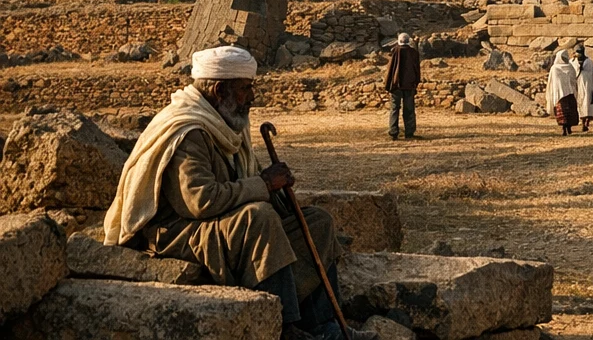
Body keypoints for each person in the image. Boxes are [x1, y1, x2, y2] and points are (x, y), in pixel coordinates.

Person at [102, 45, 377, 340]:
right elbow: (199, 201)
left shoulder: (227, 123)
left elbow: (249, 181)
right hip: (178, 232)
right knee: (258, 219)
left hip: (221, 221)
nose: (253, 97)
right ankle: (283, 328)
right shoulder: (189, 130)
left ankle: (327, 327)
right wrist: (264, 185)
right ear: (220, 90)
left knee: (317, 223)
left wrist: (277, 186)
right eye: (246, 89)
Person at [385, 32, 421, 141]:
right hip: (409, 85)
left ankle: (393, 132)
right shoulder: (413, 53)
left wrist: (388, 83)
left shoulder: (395, 51)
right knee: (409, 109)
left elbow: (390, 69)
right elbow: (416, 69)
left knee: (394, 109)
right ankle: (409, 132)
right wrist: (416, 82)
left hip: (396, 85)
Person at [546, 48, 579, 135]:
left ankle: (568, 128)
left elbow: (573, 80)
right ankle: (564, 129)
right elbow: (553, 82)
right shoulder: (555, 69)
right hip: (561, 95)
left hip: (567, 94)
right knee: (563, 113)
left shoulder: (569, 67)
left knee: (569, 113)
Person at [573, 43, 593, 132]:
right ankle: (582, 121)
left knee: (588, 105)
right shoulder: (573, 62)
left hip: (588, 87)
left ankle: (586, 122)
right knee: (579, 104)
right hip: (577, 86)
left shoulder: (589, 62)